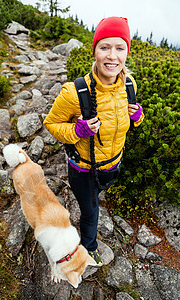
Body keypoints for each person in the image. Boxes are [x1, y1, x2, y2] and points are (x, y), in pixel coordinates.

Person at [43, 16, 144, 266]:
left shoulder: (128, 85)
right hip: (84, 169)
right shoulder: (74, 91)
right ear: (95, 51)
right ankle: (88, 248)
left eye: (120, 48)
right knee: (90, 211)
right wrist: (77, 132)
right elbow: (51, 124)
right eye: (105, 47)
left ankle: (93, 198)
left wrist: (138, 117)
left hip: (112, 165)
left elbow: (125, 121)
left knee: (95, 199)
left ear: (127, 52)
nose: (112, 56)